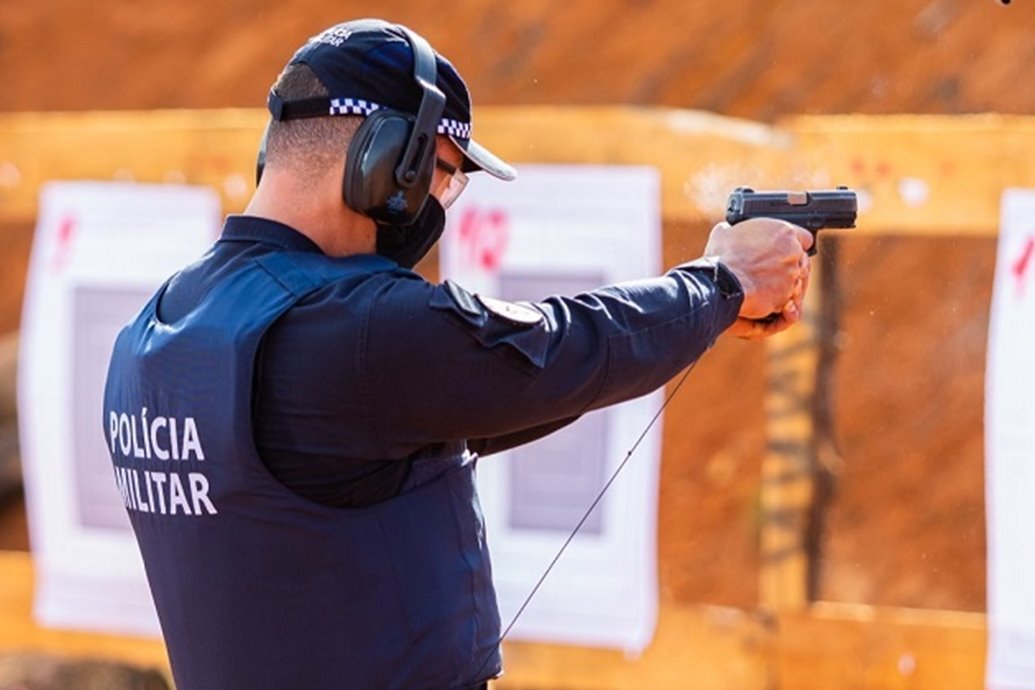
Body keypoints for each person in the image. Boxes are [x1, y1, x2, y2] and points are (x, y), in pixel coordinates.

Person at [103, 17, 813, 690]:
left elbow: (484, 396)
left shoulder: (153, 334)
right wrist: (723, 281)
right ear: (391, 164)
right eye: (442, 173)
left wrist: (703, 312)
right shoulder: (350, 331)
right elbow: (553, 349)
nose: (444, 200)